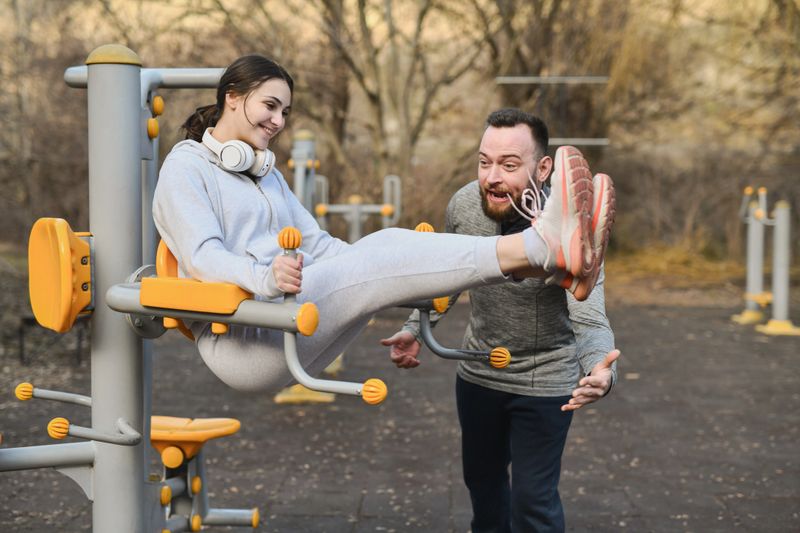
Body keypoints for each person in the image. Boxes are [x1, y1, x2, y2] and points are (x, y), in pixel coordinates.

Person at [152, 55, 612, 395]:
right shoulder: (186, 168)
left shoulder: (263, 171)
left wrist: (383, 259)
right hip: (243, 338)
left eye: (285, 113)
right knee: (377, 256)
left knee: (386, 242)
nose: (277, 122)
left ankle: (553, 267)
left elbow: (321, 245)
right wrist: (264, 278)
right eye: (270, 106)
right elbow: (202, 256)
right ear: (232, 97)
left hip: (290, 317)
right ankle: (540, 246)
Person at [382, 108, 619, 533]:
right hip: (478, 371)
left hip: (546, 379)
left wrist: (601, 367)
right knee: (483, 489)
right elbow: (448, 277)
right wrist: (416, 329)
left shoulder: (572, 224)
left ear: (543, 168)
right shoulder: (463, 205)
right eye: (484, 161)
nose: (492, 176)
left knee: (533, 502)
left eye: (509, 165)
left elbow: (589, 313)